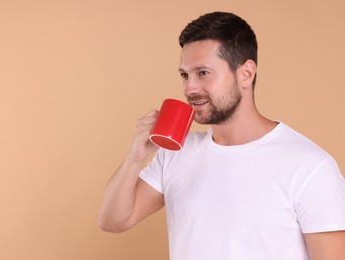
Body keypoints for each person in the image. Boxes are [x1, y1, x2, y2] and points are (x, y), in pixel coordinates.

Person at [98, 11, 345, 260]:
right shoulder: (176, 153)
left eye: (203, 73)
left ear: (246, 74)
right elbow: (113, 220)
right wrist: (134, 157)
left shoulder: (310, 166)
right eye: (185, 75)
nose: (189, 88)